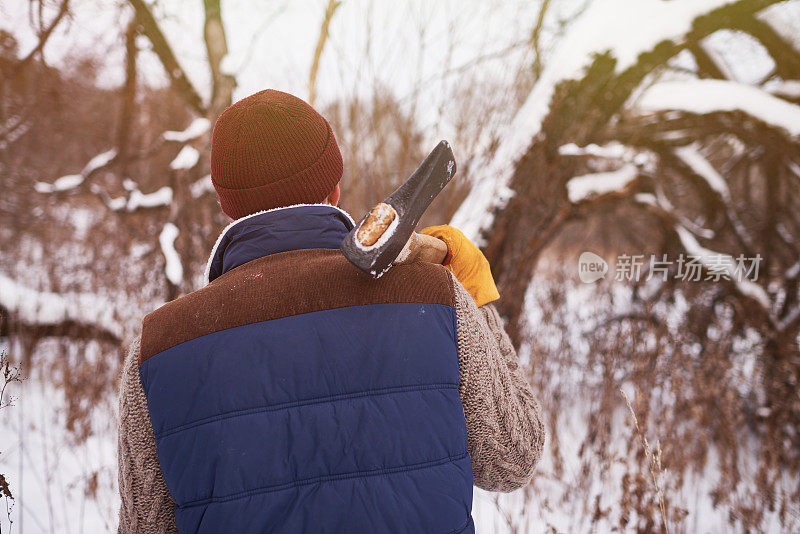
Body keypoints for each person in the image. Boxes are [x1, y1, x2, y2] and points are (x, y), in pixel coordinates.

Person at [117, 89, 545, 533]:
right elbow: (513, 458)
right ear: (335, 187)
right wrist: (472, 290)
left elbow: (143, 526)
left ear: (226, 205)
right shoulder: (437, 299)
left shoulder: (159, 349)